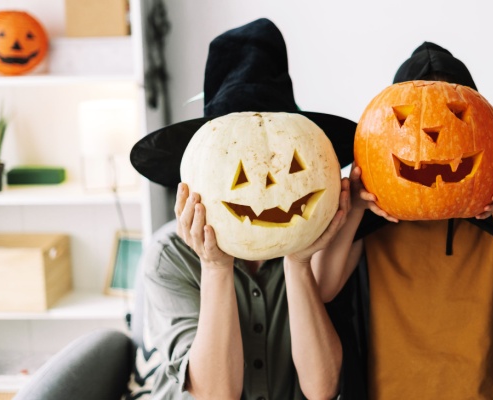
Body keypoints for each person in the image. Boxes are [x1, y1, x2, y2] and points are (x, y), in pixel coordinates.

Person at [129, 18, 358, 399]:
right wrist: (215, 266)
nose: (268, 189)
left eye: (290, 165)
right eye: (235, 170)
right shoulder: (168, 256)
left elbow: (322, 390)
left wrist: (299, 264)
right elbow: (215, 395)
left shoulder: (322, 244)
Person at [313, 42, 493, 399]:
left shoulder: (489, 219)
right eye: (406, 120)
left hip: (485, 391)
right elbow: (324, 288)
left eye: (456, 115)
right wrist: (356, 207)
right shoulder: (373, 223)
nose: (433, 138)